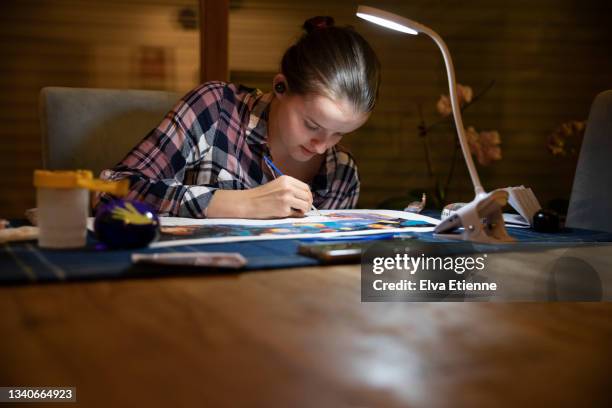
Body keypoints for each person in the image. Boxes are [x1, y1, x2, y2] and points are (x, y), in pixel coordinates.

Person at [96, 16, 380, 218]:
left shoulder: (342, 173)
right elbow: (110, 192)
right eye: (312, 125)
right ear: (281, 87)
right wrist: (240, 204)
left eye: (339, 133)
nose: (322, 145)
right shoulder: (216, 109)